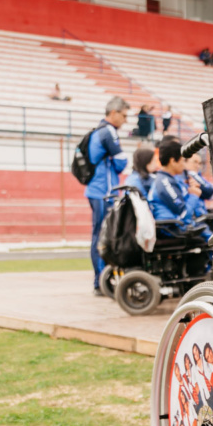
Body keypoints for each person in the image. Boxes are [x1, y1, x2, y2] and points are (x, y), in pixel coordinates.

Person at [84, 96, 130, 294]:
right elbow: (121, 163)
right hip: (103, 193)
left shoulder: (98, 131)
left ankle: (102, 280)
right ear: (113, 113)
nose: (125, 120)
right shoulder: (108, 131)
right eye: (124, 115)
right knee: (102, 236)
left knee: (101, 235)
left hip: (98, 191)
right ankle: (100, 282)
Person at [149, 139, 213, 241]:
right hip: (172, 229)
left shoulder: (170, 179)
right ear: (173, 161)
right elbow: (184, 214)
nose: (184, 165)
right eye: (183, 161)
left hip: (179, 226)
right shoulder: (165, 182)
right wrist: (194, 195)